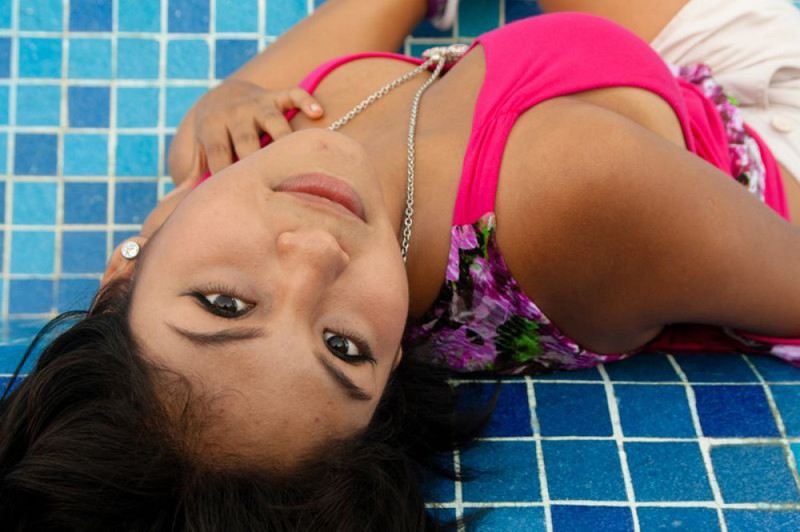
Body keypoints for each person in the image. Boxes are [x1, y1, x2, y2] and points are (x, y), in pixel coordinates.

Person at [1, 0, 799, 529]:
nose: (316, 256)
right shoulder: (571, 193)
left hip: (659, 81)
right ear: (388, 374)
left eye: (224, 304)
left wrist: (224, 99)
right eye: (342, 347)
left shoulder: (224, 156)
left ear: (122, 276)